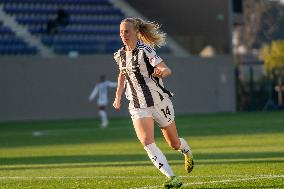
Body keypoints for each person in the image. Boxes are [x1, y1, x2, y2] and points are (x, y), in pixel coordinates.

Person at [112, 18, 194, 188]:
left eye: (126, 31)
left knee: (174, 143)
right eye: (121, 32)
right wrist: (118, 96)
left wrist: (162, 72)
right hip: (137, 105)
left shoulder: (145, 50)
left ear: (136, 32)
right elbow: (122, 75)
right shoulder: (120, 54)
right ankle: (172, 177)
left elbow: (166, 69)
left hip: (158, 101)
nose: (123, 35)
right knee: (147, 141)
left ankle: (187, 152)